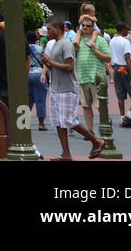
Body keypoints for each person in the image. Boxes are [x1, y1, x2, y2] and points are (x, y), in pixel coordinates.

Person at [40, 21, 104, 160]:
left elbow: (69, 67)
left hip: (67, 89)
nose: (48, 32)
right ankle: (66, 153)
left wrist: (50, 61)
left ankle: (96, 141)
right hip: (56, 88)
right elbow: (56, 66)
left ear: (58, 29)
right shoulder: (56, 44)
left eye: (50, 29)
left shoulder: (66, 44)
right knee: (58, 122)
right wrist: (48, 63)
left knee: (68, 120)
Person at [75, 17, 110, 133]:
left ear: (93, 27)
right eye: (83, 25)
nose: (85, 27)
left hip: (96, 77)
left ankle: (105, 124)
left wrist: (95, 50)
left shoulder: (100, 40)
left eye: (88, 26)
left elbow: (108, 58)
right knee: (86, 106)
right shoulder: (78, 39)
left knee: (100, 105)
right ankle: (90, 131)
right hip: (82, 76)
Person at [108, 23, 131, 129]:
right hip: (125, 68)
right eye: (126, 30)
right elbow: (127, 57)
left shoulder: (112, 41)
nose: (127, 32)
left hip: (116, 67)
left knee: (120, 94)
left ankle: (122, 117)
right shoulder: (125, 42)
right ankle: (129, 115)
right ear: (123, 30)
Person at [27, 31, 48, 131]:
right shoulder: (40, 49)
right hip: (39, 75)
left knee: (27, 100)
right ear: (36, 39)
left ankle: (25, 122)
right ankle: (41, 124)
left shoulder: (23, 49)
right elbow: (45, 62)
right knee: (40, 100)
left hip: (26, 75)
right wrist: (44, 73)